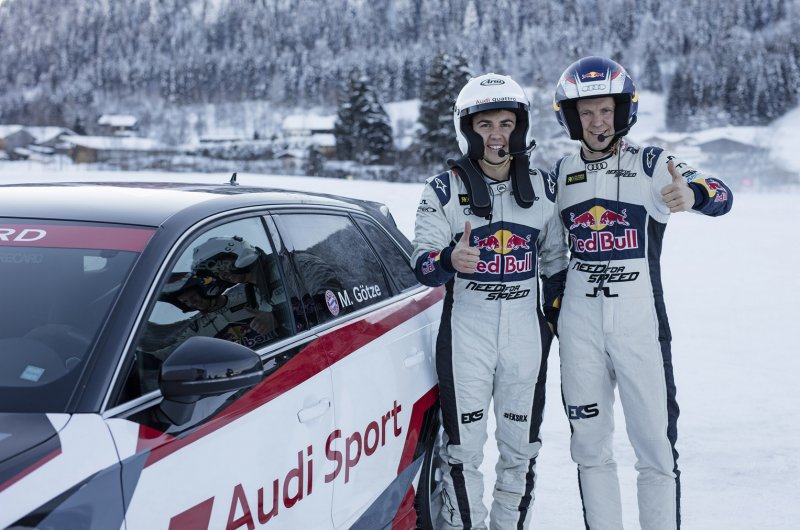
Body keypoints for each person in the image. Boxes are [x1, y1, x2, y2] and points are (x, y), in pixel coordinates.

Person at [551, 56, 733, 529]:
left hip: (640, 326)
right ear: (571, 117)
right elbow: (546, 250)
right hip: (580, 328)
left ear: (623, 111)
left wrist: (694, 196)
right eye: (586, 112)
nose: (597, 122)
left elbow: (721, 192)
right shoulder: (560, 173)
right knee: (589, 448)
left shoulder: (651, 163)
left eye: (605, 110)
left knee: (655, 449)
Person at [412, 73, 568, 529]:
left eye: (505, 123)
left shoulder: (544, 188)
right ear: (467, 129)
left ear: (520, 128)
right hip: (467, 335)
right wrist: (448, 259)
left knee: (521, 451)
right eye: (485, 125)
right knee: (462, 452)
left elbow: (556, 263)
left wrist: (553, 320)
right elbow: (421, 264)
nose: (496, 134)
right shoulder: (442, 189)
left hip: (525, 336)